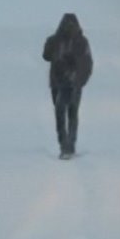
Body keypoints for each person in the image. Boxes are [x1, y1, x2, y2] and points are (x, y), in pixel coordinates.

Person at [42, 13, 93, 159]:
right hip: (63, 83)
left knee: (65, 112)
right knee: (67, 112)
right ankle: (67, 144)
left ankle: (67, 145)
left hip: (70, 83)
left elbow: (86, 63)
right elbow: (46, 56)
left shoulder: (78, 42)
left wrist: (79, 80)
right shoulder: (61, 41)